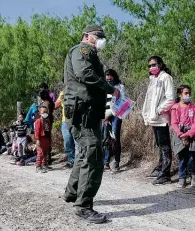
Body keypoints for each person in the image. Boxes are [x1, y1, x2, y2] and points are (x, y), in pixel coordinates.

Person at [63, 24, 120, 224]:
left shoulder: (90, 53)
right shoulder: (82, 50)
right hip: (82, 112)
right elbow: (84, 74)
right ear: (86, 36)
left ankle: (72, 193)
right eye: (98, 36)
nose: (101, 39)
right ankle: (83, 206)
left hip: (90, 112)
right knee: (93, 154)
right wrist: (109, 88)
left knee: (85, 153)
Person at [143, 56, 175, 185]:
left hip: (161, 117)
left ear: (160, 64)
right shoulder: (153, 79)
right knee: (159, 144)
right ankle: (160, 168)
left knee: (164, 144)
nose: (151, 67)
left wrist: (159, 109)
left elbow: (171, 98)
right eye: (149, 65)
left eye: (154, 64)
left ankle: (165, 174)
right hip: (154, 118)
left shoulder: (166, 77)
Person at [171, 85, 195, 188]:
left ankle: (193, 176)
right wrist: (181, 135)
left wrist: (188, 134)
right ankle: (182, 177)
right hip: (180, 134)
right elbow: (174, 123)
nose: (188, 95)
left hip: (191, 134)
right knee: (182, 157)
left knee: (192, 157)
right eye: (186, 93)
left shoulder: (193, 107)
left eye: (189, 93)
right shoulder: (175, 107)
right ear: (179, 95)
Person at [103, 69, 125, 172]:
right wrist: (105, 117)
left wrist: (111, 114)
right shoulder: (103, 87)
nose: (109, 80)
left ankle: (116, 161)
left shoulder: (120, 87)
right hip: (106, 115)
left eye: (110, 77)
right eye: (107, 78)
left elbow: (119, 102)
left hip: (116, 114)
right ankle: (106, 161)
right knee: (106, 137)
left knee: (115, 136)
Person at [55, 89, 77, 168]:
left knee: (77, 141)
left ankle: (78, 162)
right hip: (65, 121)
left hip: (76, 120)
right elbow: (56, 105)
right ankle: (71, 160)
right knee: (67, 141)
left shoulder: (77, 88)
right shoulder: (63, 92)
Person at [34, 102, 51, 173]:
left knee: (45, 152)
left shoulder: (48, 121)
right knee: (40, 153)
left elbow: (48, 131)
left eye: (46, 112)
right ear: (40, 113)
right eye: (43, 112)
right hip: (41, 138)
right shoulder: (38, 121)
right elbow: (37, 131)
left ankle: (44, 165)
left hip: (46, 138)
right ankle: (38, 166)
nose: (45, 113)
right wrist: (37, 139)